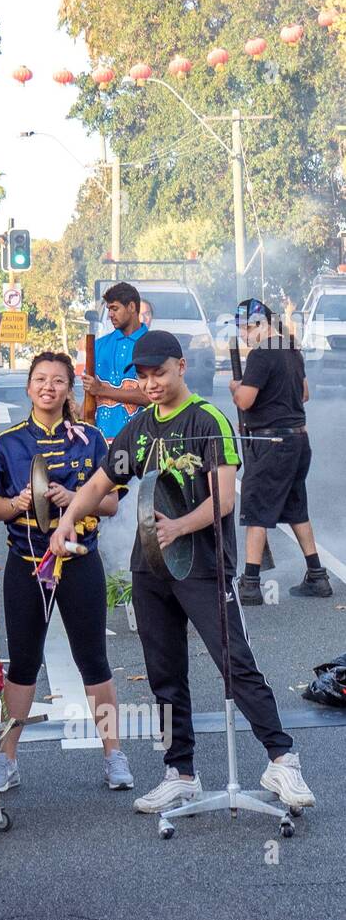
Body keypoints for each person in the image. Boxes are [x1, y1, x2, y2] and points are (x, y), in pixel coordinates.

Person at [49, 330, 316, 815]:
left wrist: (180, 526)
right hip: (150, 568)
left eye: (159, 373)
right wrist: (68, 518)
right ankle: (181, 772)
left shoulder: (207, 420)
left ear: (180, 367)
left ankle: (282, 758)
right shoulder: (140, 428)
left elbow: (226, 499)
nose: (150, 383)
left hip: (204, 566)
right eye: (143, 376)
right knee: (164, 674)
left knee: (235, 664)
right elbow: (100, 482)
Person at [0, 352, 133, 792]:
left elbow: (112, 502)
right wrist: (18, 504)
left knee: (94, 660)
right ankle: (7, 759)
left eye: (59, 381)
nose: (49, 387)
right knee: (23, 664)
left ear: (68, 389)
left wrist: (73, 498)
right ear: (28, 387)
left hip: (80, 561)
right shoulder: (7, 443)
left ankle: (113, 754)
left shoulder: (93, 438)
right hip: (25, 566)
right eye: (41, 379)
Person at [230, 298, 330, 604]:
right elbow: (305, 393)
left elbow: (245, 400)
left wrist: (236, 387)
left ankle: (250, 584)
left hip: (272, 443)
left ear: (261, 324)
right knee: (296, 508)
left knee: (256, 510)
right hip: (298, 441)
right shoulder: (289, 350)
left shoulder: (262, 354)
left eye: (246, 329)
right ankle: (317, 575)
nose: (244, 336)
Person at [82, 281, 150, 441]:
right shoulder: (97, 346)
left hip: (141, 441)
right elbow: (89, 396)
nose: (111, 314)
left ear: (132, 307)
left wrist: (102, 390)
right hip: (101, 441)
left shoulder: (151, 344)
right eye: (109, 309)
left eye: (115, 308)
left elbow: (149, 397)